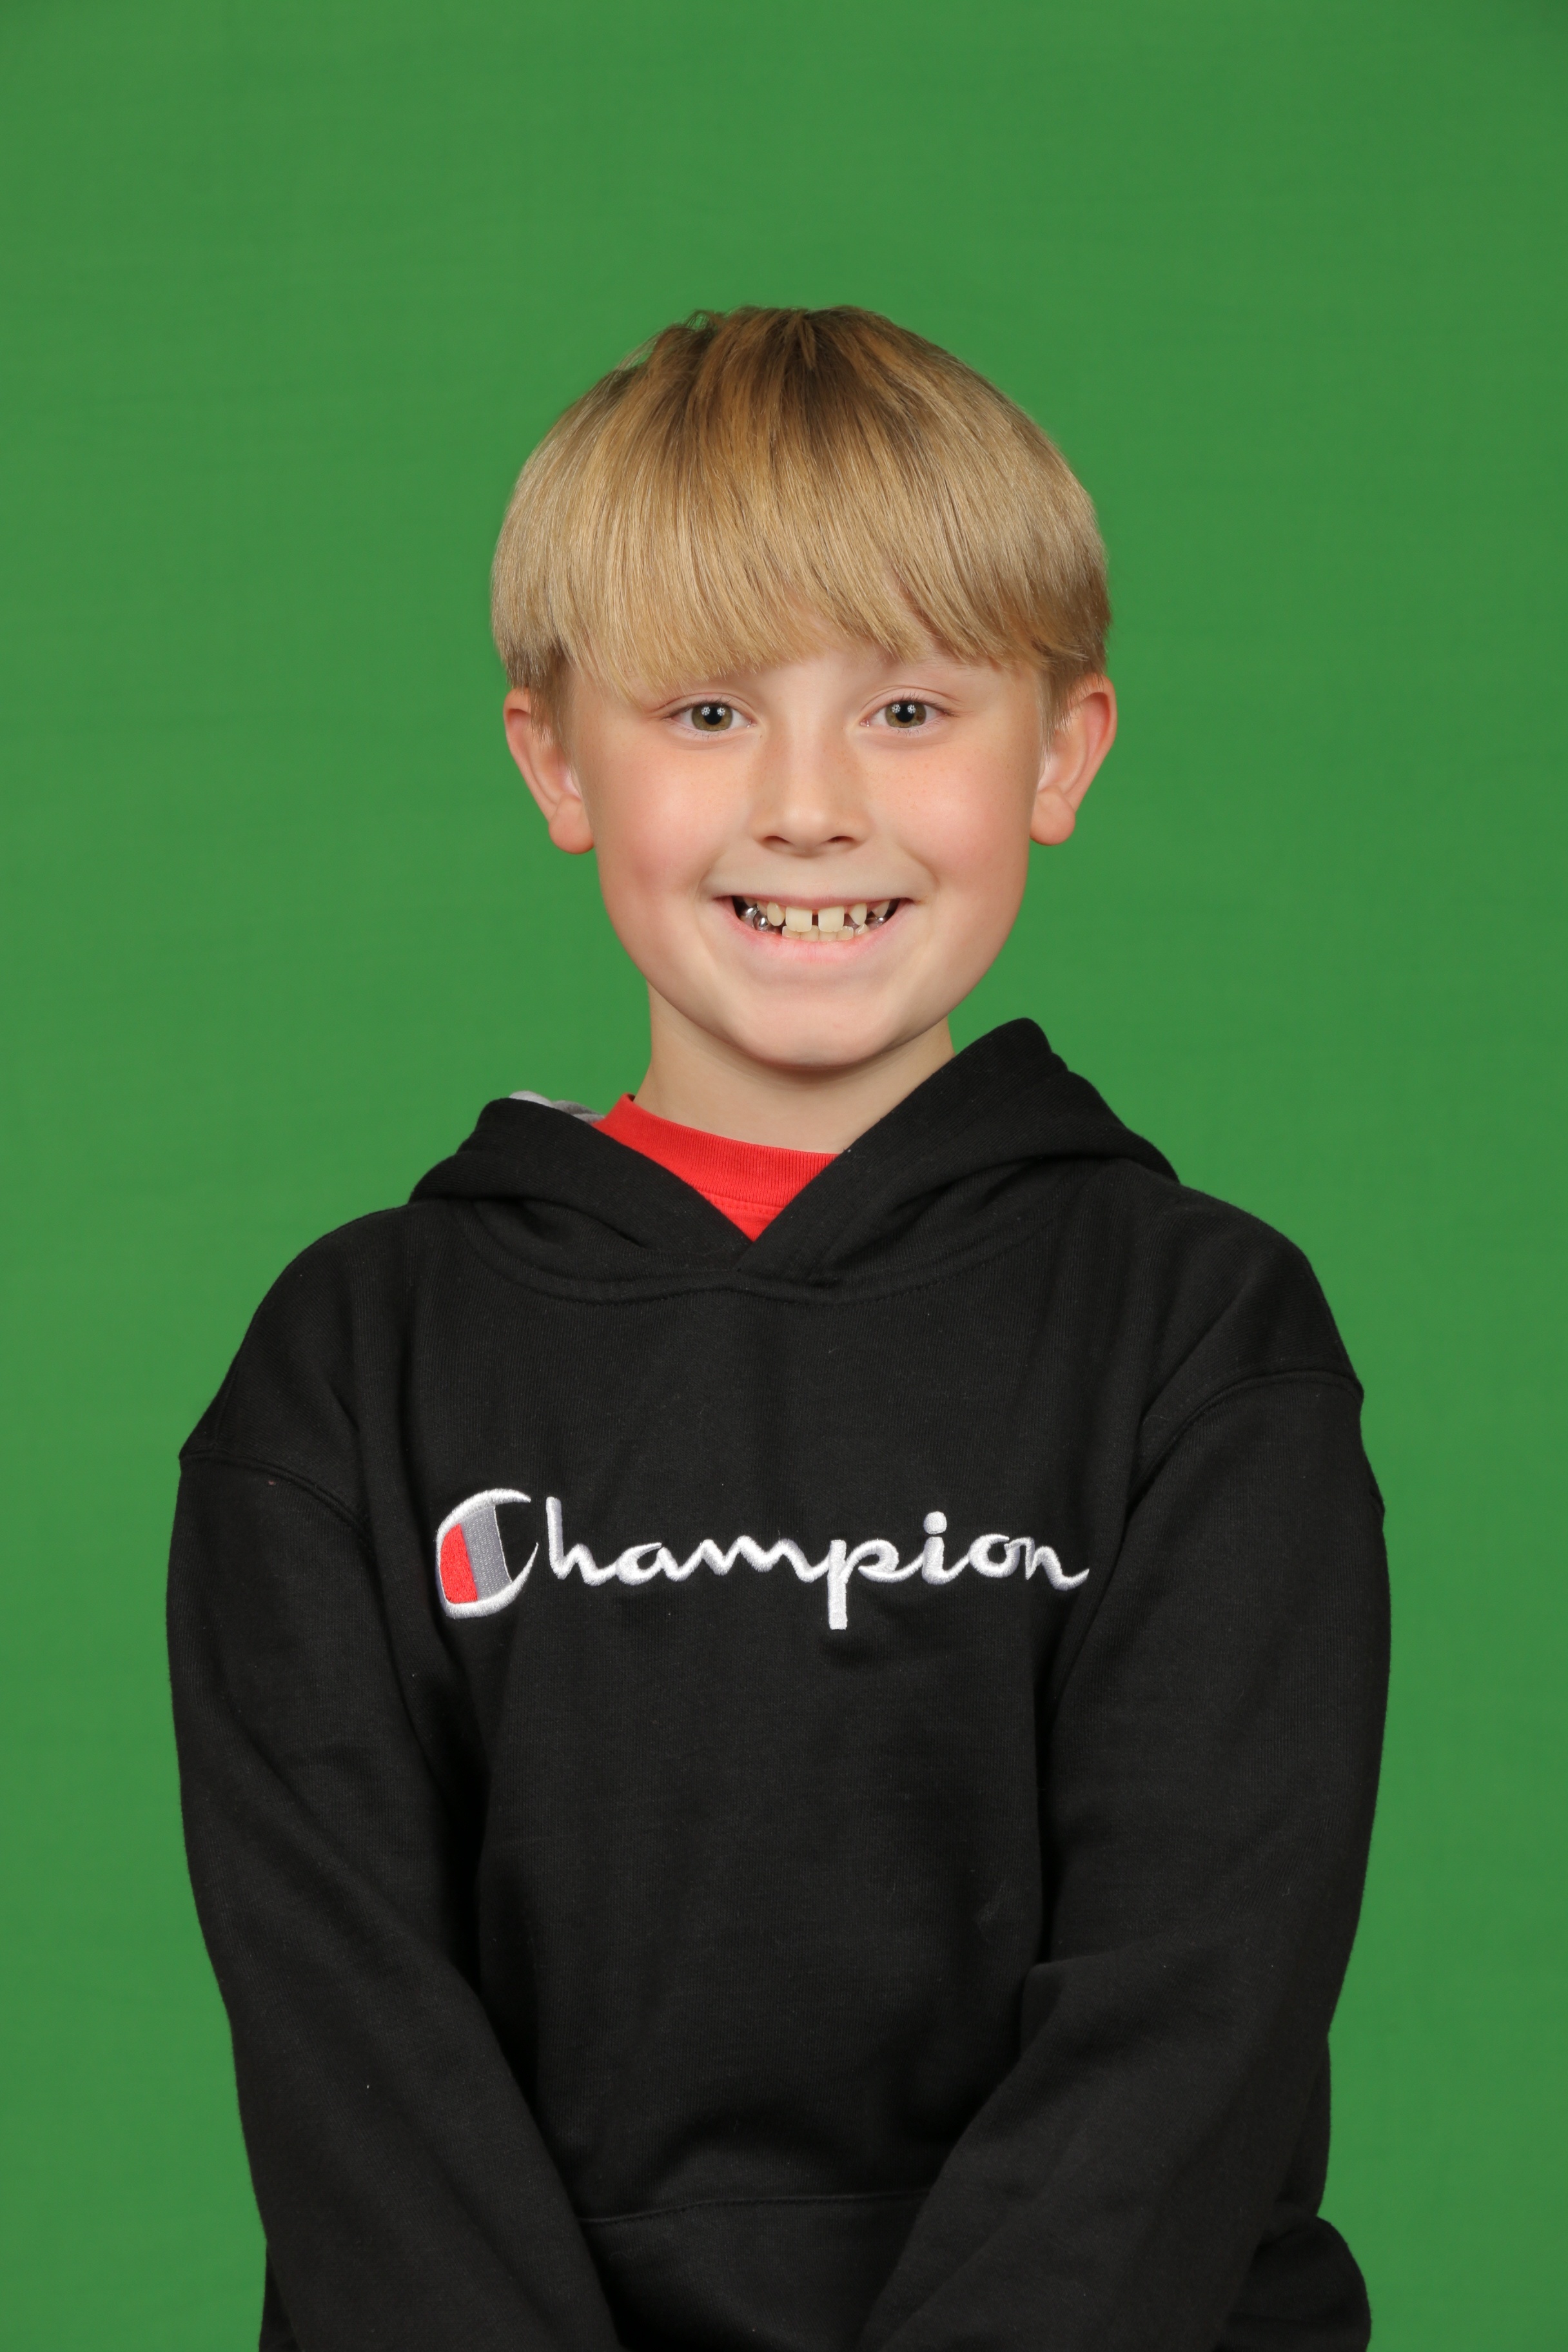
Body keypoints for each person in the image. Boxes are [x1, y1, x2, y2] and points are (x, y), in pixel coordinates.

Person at [168, 306, 1388, 2352]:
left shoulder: (1202, 1339)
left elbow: (1190, 2034)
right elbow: (355, 2069)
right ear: (556, 759)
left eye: (909, 708)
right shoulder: (348, 1372)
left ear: (1061, 752)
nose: (810, 806)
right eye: (710, 709)